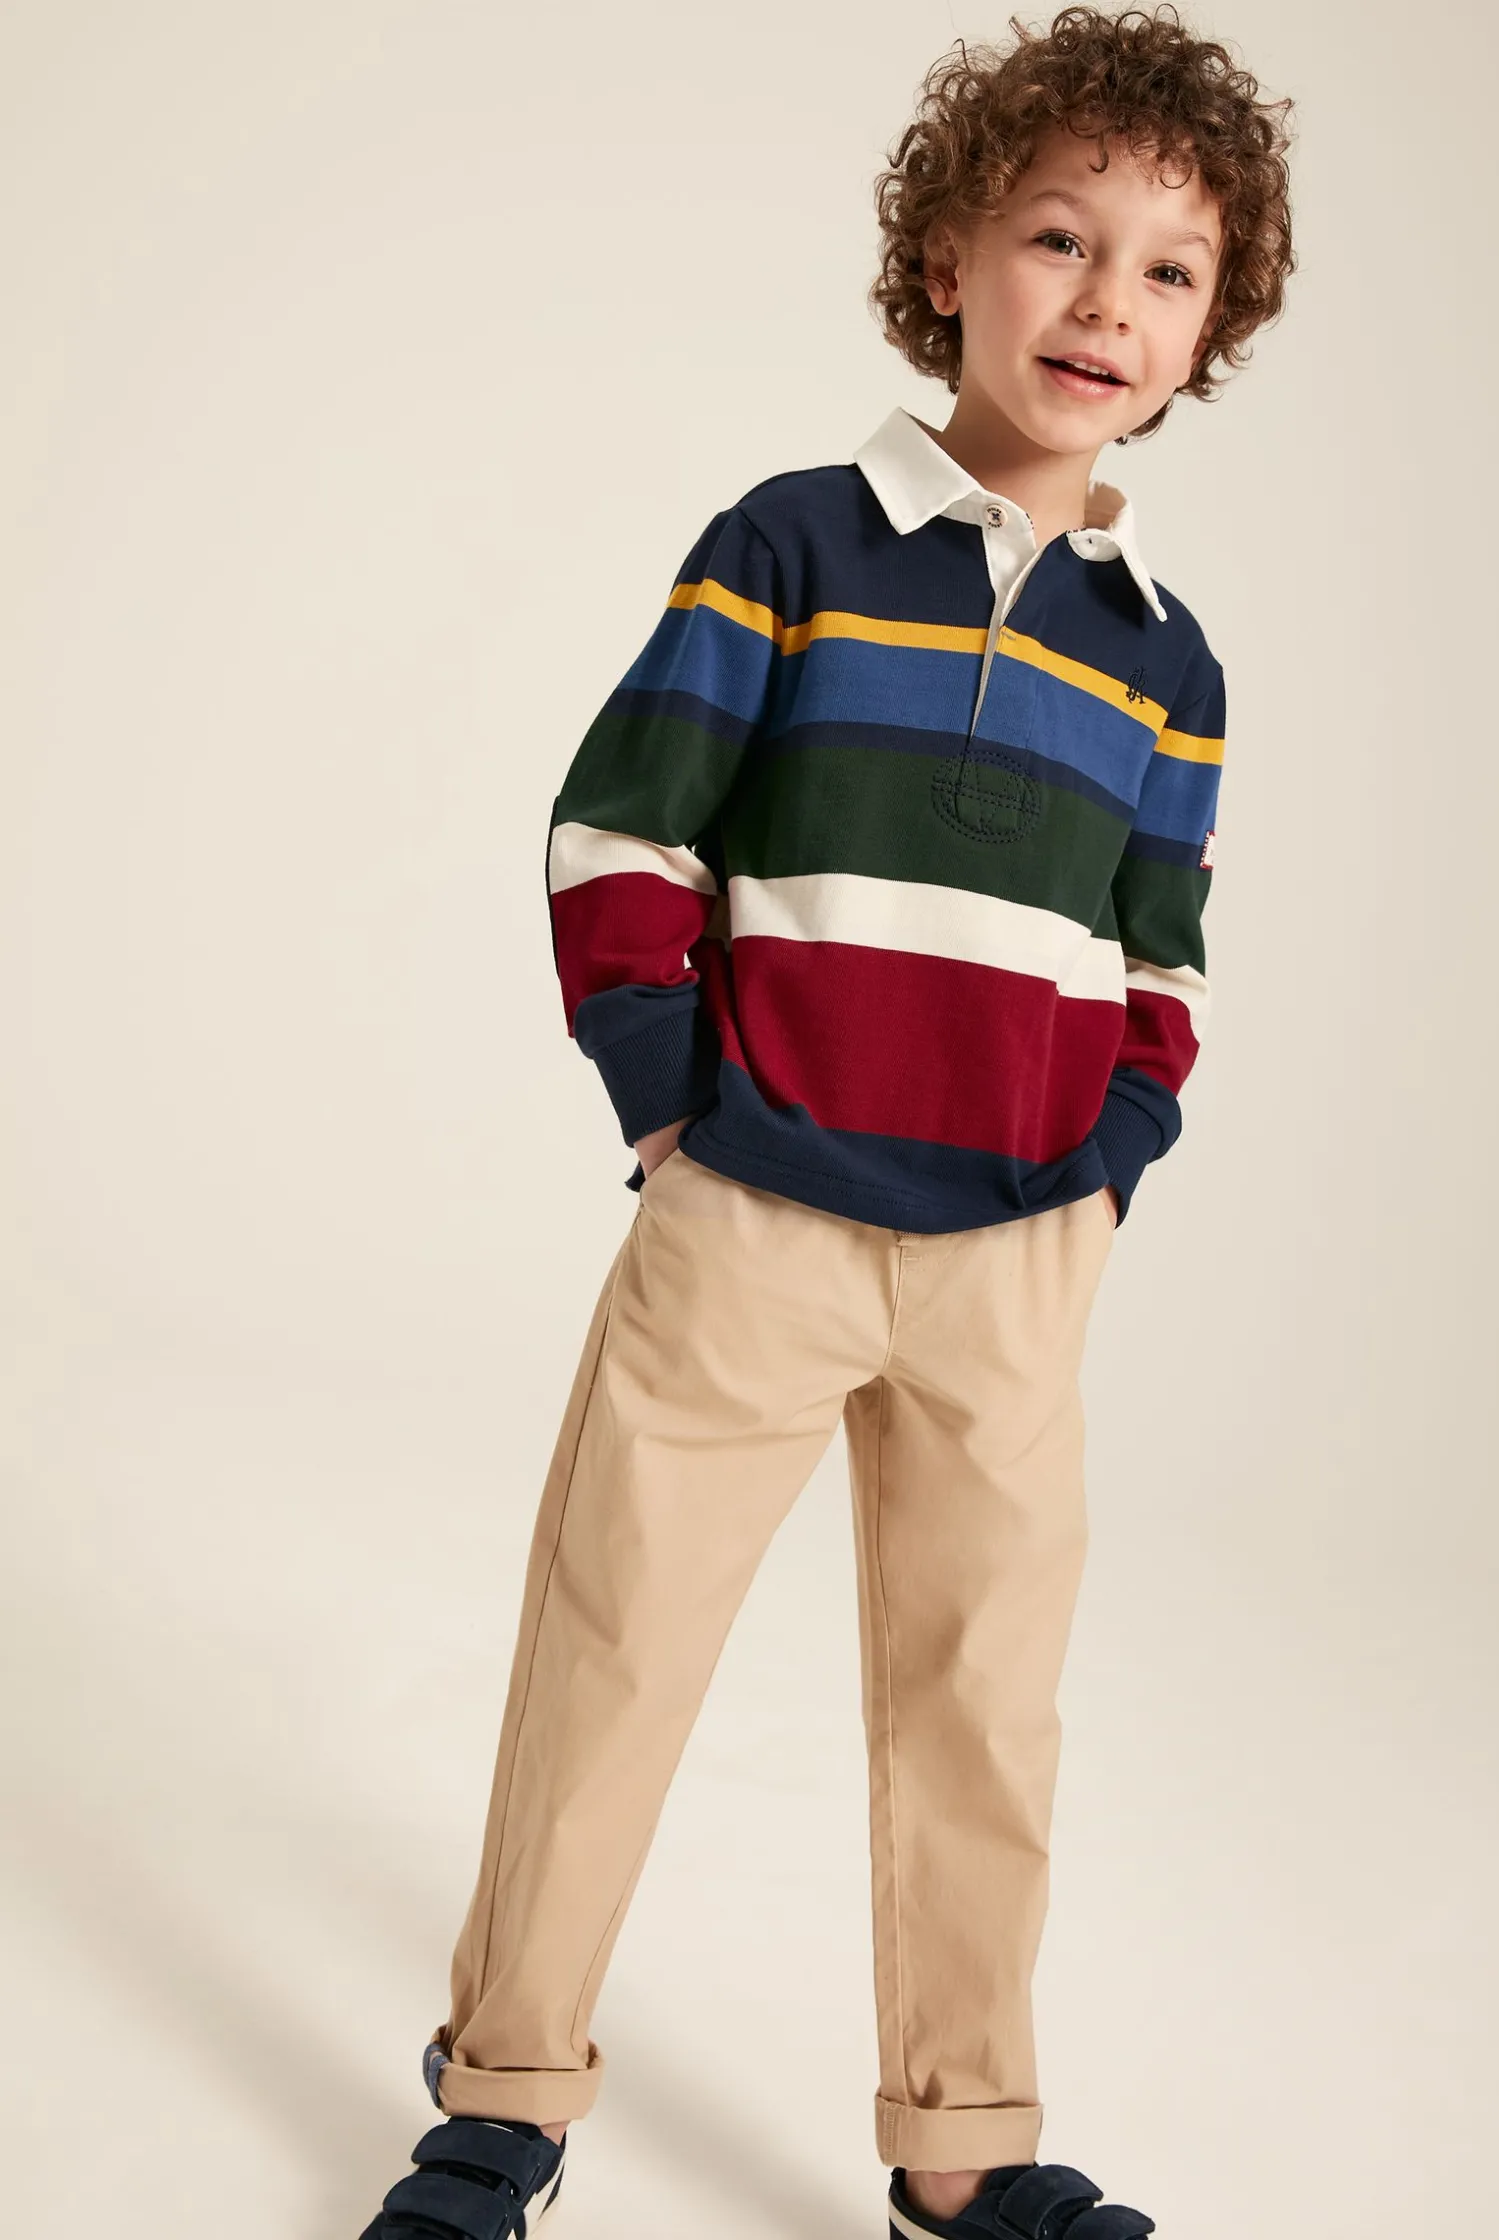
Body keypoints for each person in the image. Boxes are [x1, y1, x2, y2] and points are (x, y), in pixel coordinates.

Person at [358, 7, 1295, 2235]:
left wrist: (1105, 1163)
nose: (1105, 300)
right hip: (753, 1210)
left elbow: (1163, 951)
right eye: (1059, 237)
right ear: (947, 259)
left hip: (1016, 1254)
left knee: (987, 1709)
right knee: (615, 1646)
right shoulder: (792, 538)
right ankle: (505, 2095)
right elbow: (621, 829)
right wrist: (674, 1113)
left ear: (1206, 335)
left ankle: (962, 2153)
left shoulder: (1170, 659)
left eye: (1168, 271)